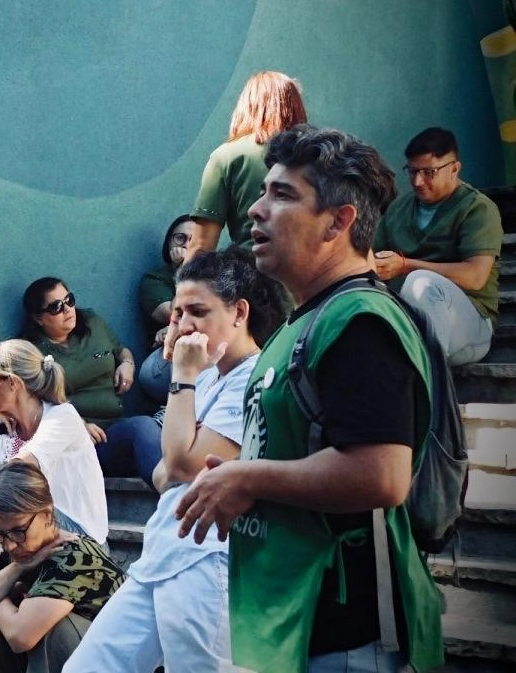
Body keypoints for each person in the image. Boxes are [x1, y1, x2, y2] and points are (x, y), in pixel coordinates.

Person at [175, 125, 444, 672]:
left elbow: (382, 475)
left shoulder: (360, 320)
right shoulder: (306, 320)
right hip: (293, 628)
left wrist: (244, 477)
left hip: (347, 635)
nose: (255, 209)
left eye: (283, 194)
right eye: (262, 191)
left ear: (339, 222)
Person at [63, 247, 285, 673]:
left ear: (239, 312)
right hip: (162, 557)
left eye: (197, 311)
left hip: (208, 562)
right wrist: (189, 390)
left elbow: (181, 466)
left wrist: (182, 377)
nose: (182, 326)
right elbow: (167, 473)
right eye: (177, 313)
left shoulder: (254, 379)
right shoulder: (209, 378)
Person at [0, 460, 124, 673]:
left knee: (54, 630)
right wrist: (16, 569)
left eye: (19, 531)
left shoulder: (74, 553)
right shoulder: (1, 549)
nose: (9, 544)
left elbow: (20, 636)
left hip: (114, 663)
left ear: (47, 514)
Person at [0, 339, 107, 542]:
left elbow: (18, 472)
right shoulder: (3, 428)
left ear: (13, 383)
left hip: (78, 534)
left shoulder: (62, 416)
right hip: (26, 528)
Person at [374, 126, 502, 365]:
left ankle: (432, 383)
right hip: (408, 320)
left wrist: (405, 265)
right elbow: (369, 259)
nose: (418, 181)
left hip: (469, 328)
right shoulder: (398, 209)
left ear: (454, 169)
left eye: (428, 172)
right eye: (412, 172)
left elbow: (475, 276)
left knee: (422, 283)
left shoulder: (477, 209)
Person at [18, 279, 160, 486]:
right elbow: (31, 406)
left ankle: (173, 493)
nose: (68, 310)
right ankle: (172, 493)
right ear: (38, 318)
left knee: (145, 426)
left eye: (69, 300)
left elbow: (120, 349)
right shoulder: (31, 353)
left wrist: (127, 363)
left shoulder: (92, 322)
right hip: (77, 443)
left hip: (113, 430)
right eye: (56, 307)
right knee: (143, 429)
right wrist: (77, 425)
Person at [187, 70, 308, 260]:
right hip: (313, 280)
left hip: (253, 277)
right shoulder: (318, 153)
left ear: (247, 106)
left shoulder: (226, 156)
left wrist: (184, 289)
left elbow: (201, 246)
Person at [136, 214, 197, 405]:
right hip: (168, 356)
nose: (186, 244)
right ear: (168, 244)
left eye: (193, 239)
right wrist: (183, 269)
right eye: (180, 238)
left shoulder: (214, 277)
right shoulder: (154, 279)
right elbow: (173, 313)